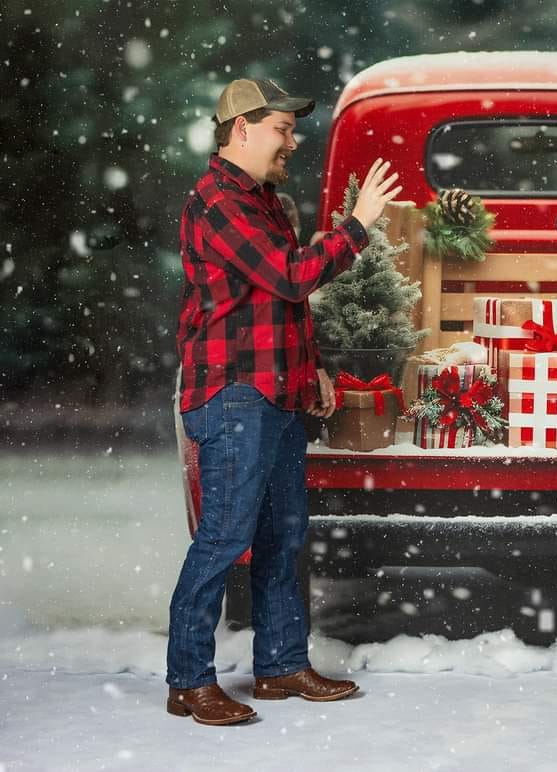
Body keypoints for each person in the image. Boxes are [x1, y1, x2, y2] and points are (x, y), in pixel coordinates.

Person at [168, 78, 402, 726]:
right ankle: (188, 680)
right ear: (242, 128)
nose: (292, 142)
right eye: (282, 129)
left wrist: (315, 368)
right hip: (233, 396)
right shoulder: (218, 202)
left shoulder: (264, 200)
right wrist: (358, 224)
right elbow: (293, 275)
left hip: (275, 394)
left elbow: (280, 302)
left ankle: (279, 666)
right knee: (224, 539)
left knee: (284, 537)